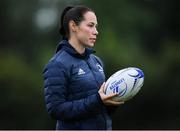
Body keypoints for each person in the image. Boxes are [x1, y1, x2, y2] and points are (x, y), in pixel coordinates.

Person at [42, 5, 124, 130]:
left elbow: (101, 108)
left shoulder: (96, 61)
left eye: (95, 26)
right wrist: (97, 100)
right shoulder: (57, 65)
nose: (96, 31)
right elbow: (56, 110)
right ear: (73, 26)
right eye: (90, 25)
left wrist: (112, 102)